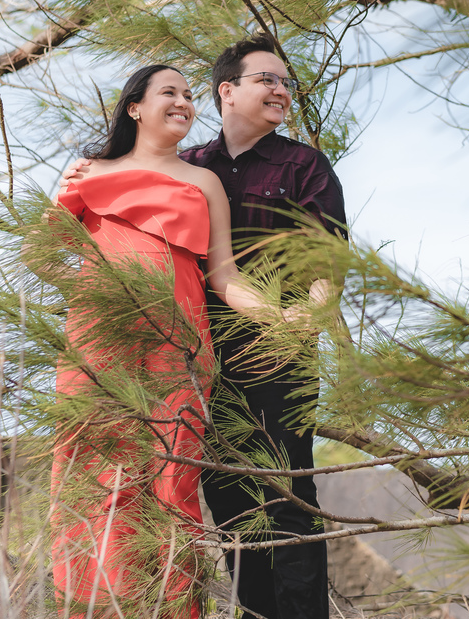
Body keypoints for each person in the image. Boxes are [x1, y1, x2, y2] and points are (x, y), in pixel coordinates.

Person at [65, 34, 347, 619]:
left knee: (286, 491)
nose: (280, 90)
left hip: (274, 351)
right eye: (267, 79)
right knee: (220, 494)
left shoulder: (302, 164)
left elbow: (326, 258)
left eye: (285, 83)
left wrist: (306, 315)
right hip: (191, 351)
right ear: (229, 91)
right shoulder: (188, 166)